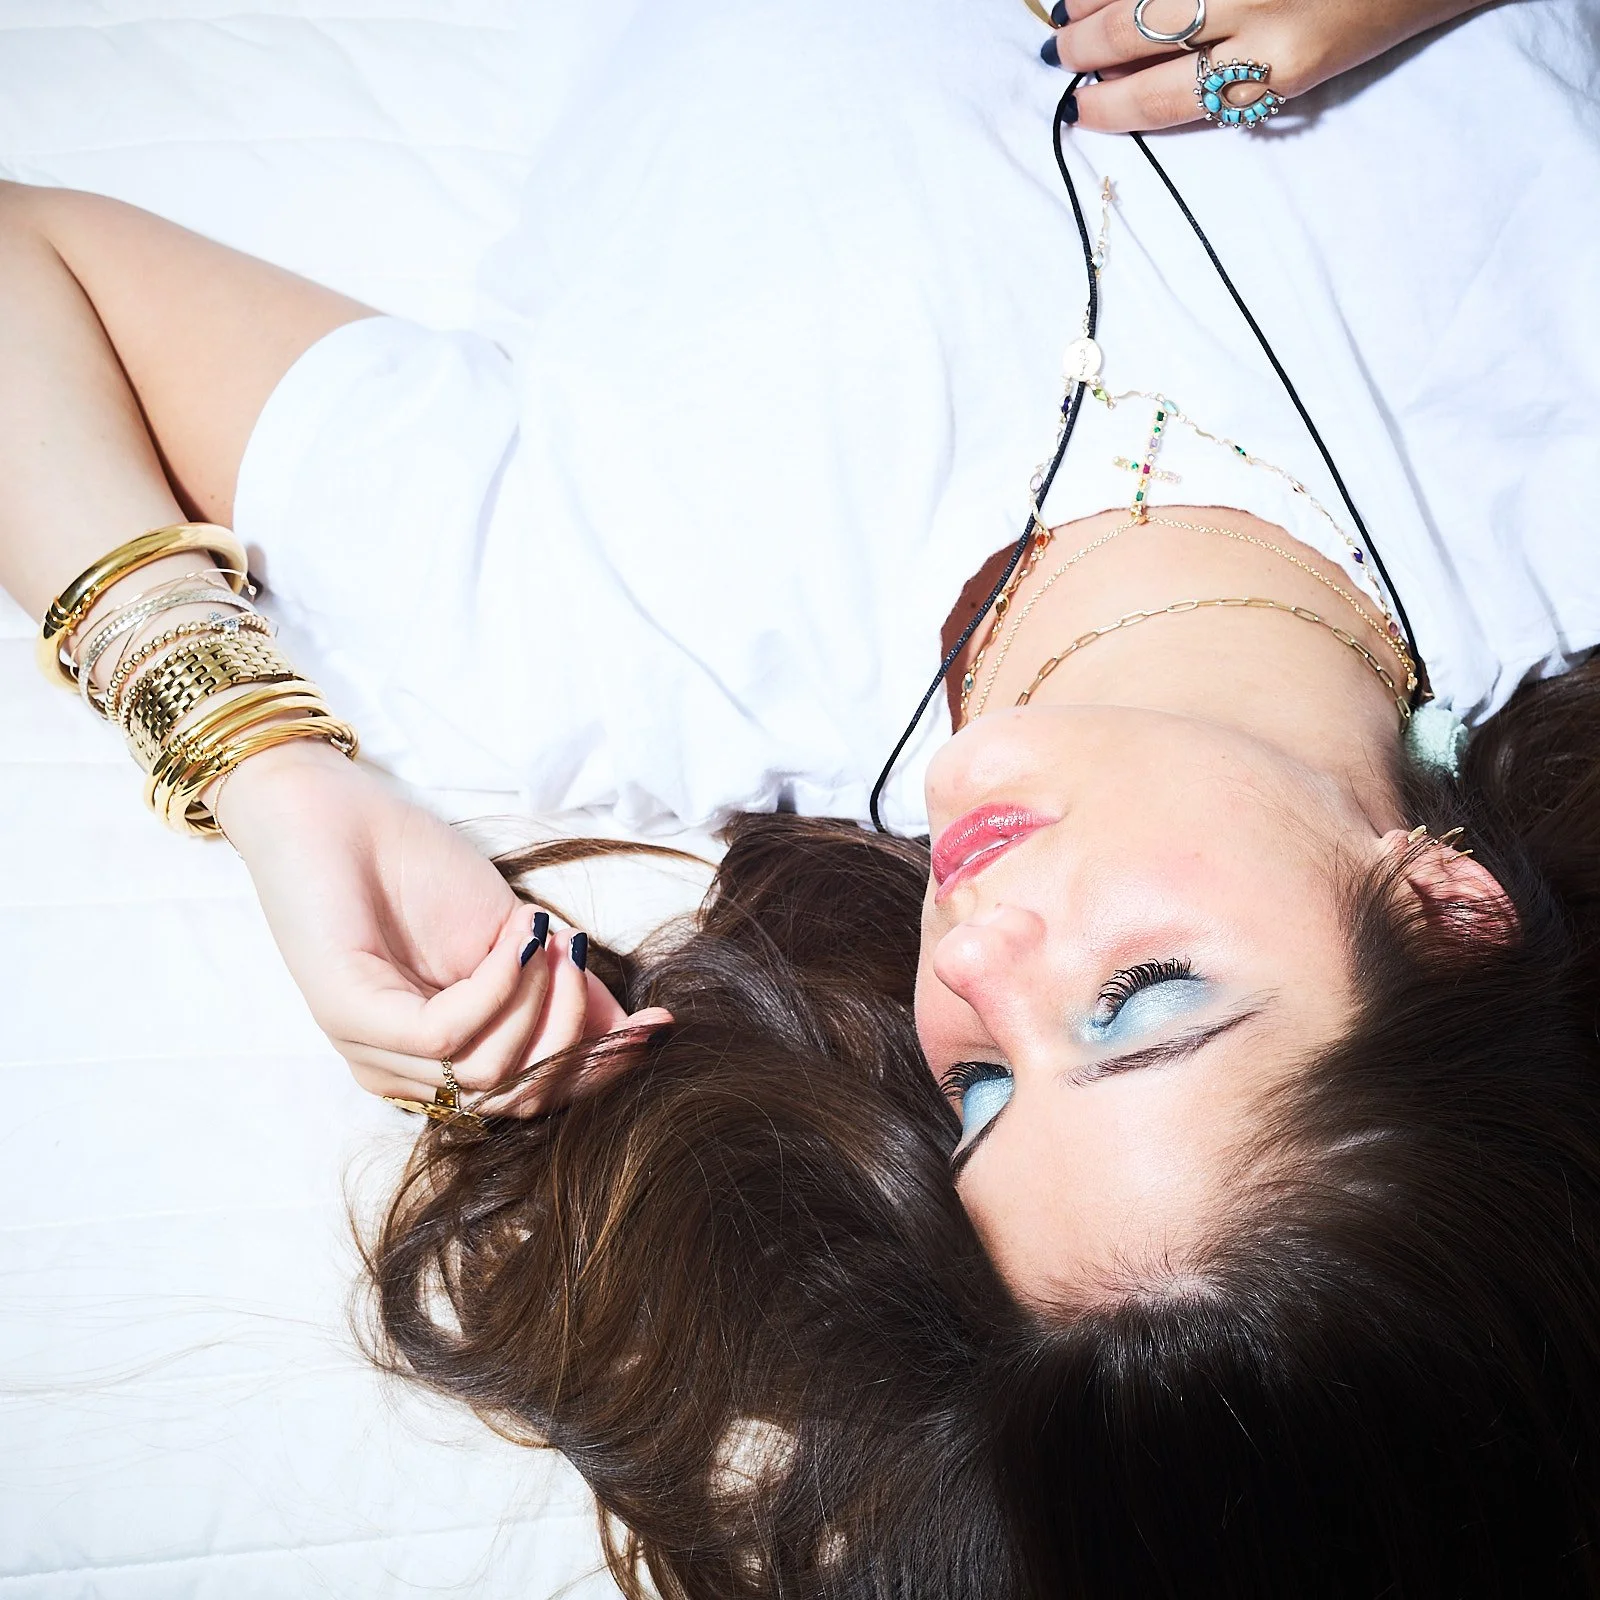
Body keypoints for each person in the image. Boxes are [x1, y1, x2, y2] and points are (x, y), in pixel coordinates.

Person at [5, 0, 1600, 1592]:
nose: (974, 964)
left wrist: (257, 764)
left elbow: (31, 265)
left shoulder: (632, 640)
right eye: (1140, 1001)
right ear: (1446, 913)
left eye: (985, 1094)